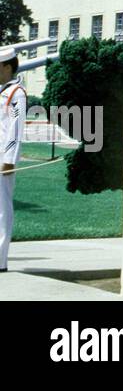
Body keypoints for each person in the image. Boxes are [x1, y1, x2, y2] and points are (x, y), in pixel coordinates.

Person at [0, 47, 23, 272]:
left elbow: (14, 130)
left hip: (2, 160)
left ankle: (0, 260)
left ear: (7, 67)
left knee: (2, 210)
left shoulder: (16, 94)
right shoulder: (2, 92)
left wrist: (9, 160)